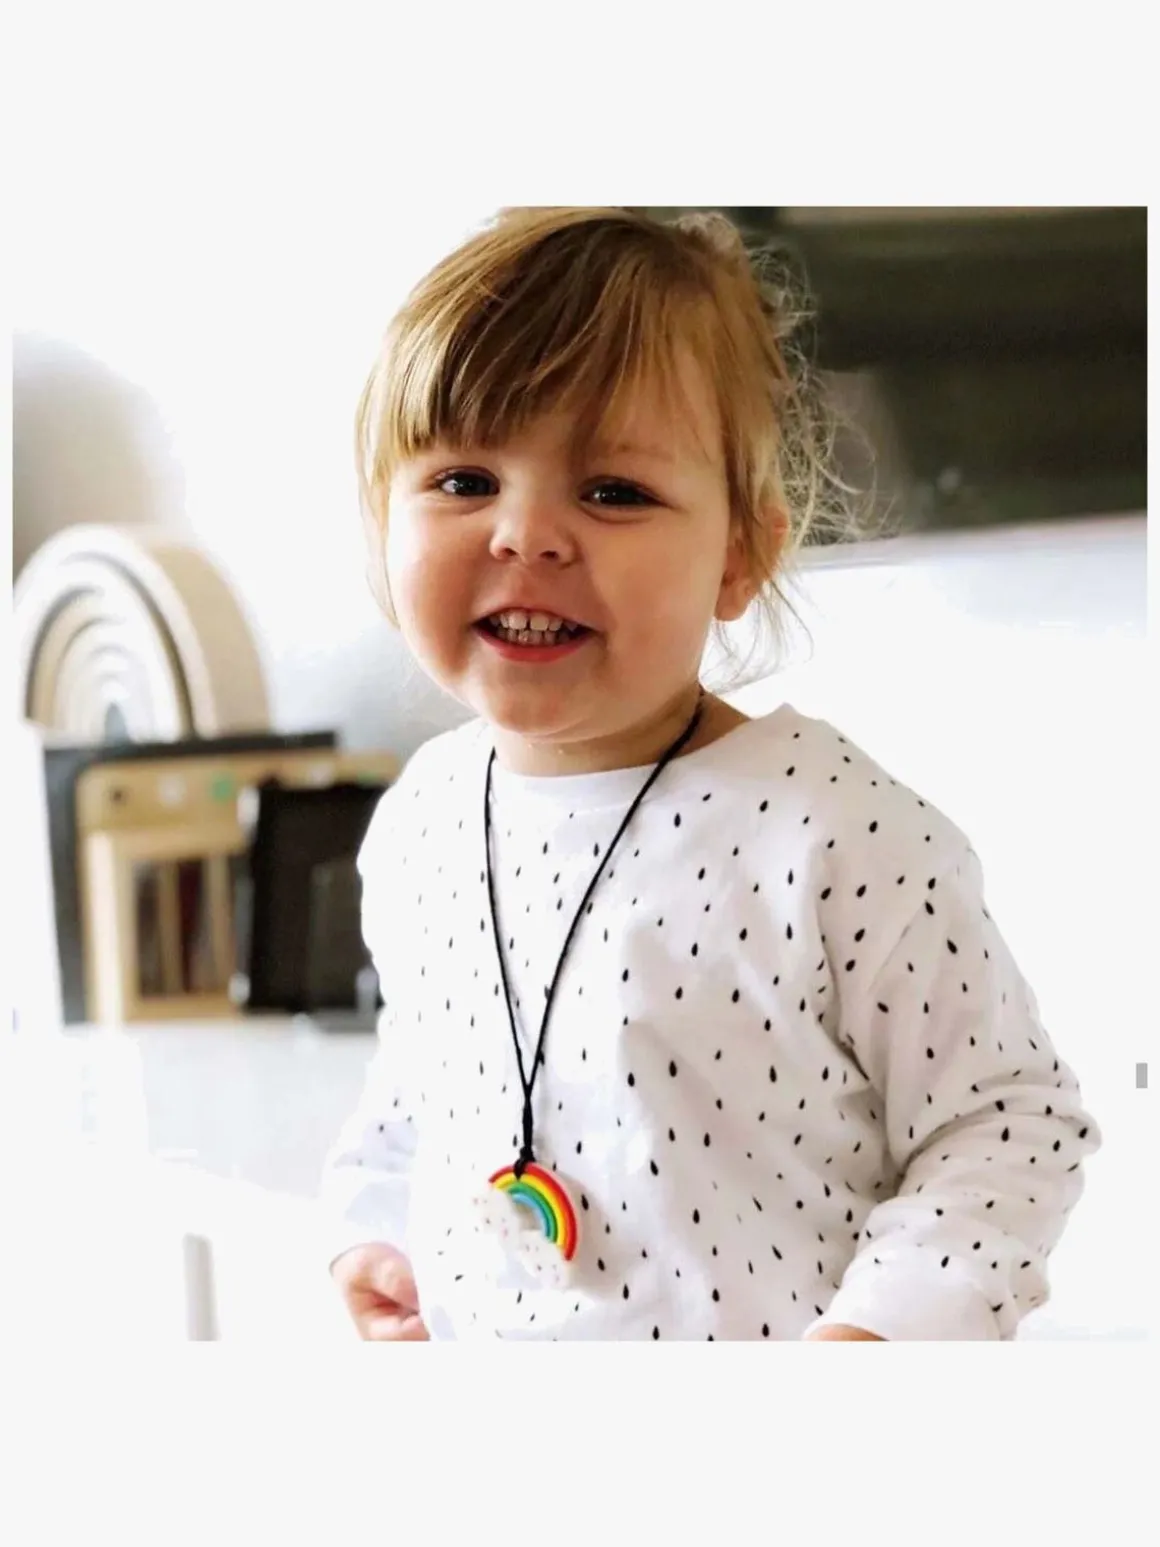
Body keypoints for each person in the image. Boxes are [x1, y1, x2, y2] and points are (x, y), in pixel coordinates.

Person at [320, 206, 1099, 1342]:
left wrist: (882, 1332)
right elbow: (421, 1083)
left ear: (739, 555)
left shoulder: (835, 835)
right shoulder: (420, 820)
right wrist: (376, 1235)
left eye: (613, 491)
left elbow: (1009, 1123)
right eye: (464, 479)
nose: (525, 534)